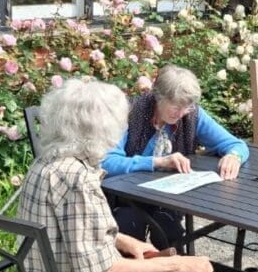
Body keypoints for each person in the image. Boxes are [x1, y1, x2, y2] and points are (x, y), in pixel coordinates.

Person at [18, 78, 232, 272]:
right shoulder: (77, 180)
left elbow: (70, 230)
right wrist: (181, 264)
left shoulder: (47, 162)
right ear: (102, 128)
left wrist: (124, 240)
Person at [102, 65, 248, 249]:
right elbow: (107, 162)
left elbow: (236, 144)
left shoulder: (192, 115)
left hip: (168, 198)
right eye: (176, 107)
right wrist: (157, 162)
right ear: (158, 96)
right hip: (127, 198)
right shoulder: (130, 113)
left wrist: (234, 156)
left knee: (170, 232)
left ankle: (174, 271)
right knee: (129, 228)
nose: (181, 114)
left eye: (186, 107)